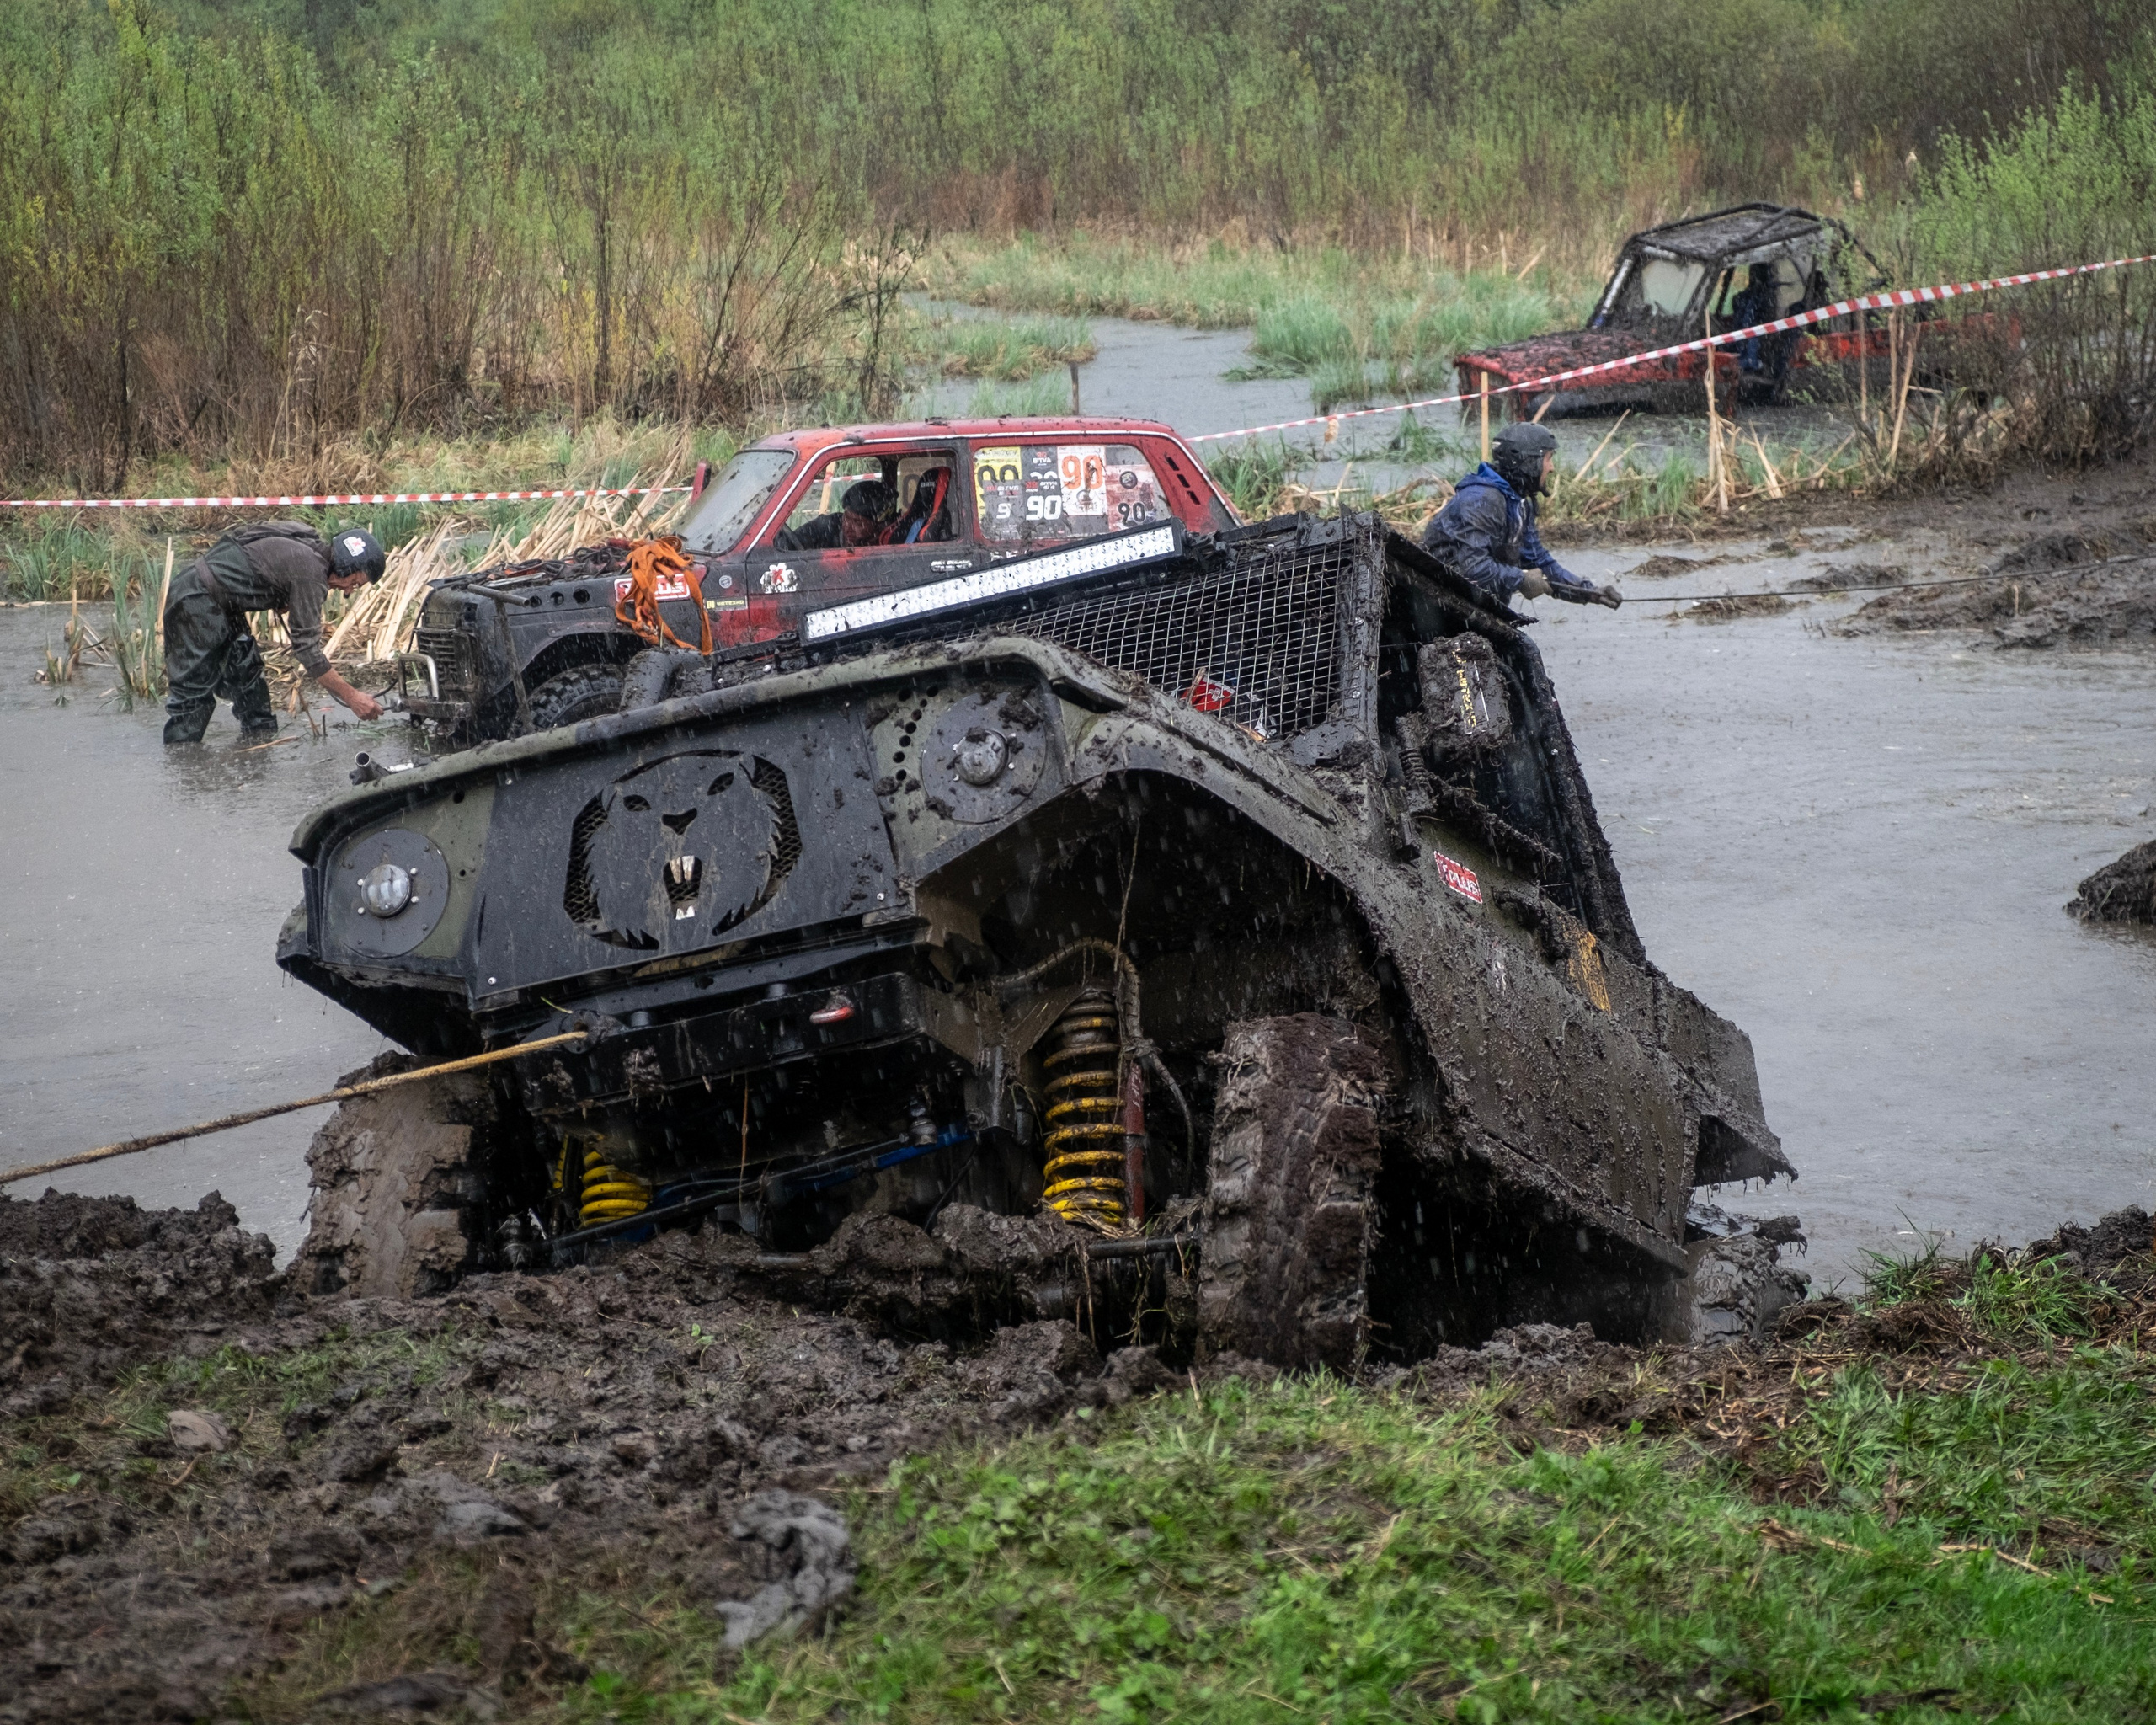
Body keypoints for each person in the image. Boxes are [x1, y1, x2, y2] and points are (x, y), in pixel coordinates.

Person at [162, 521, 387, 745]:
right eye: (354, 583)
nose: (348, 590)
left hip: (222, 604)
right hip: (195, 600)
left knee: (247, 677)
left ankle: (259, 750)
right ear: (346, 566)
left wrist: (275, 593)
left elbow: (242, 537)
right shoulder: (311, 573)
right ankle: (184, 766)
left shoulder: (306, 538)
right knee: (193, 696)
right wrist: (352, 697)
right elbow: (308, 652)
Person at [1422, 423, 1620, 609]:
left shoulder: (1518, 502)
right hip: (1438, 604)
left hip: (1471, 605)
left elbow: (1537, 561)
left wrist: (1589, 591)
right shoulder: (1482, 500)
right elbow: (1473, 569)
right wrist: (1521, 579)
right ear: (1528, 461)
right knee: (1523, 648)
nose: (1551, 467)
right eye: (1548, 458)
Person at [774, 478, 895, 551]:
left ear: (880, 524)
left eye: (858, 523)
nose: (848, 527)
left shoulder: (891, 543)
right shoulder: (827, 527)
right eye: (846, 517)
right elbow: (785, 545)